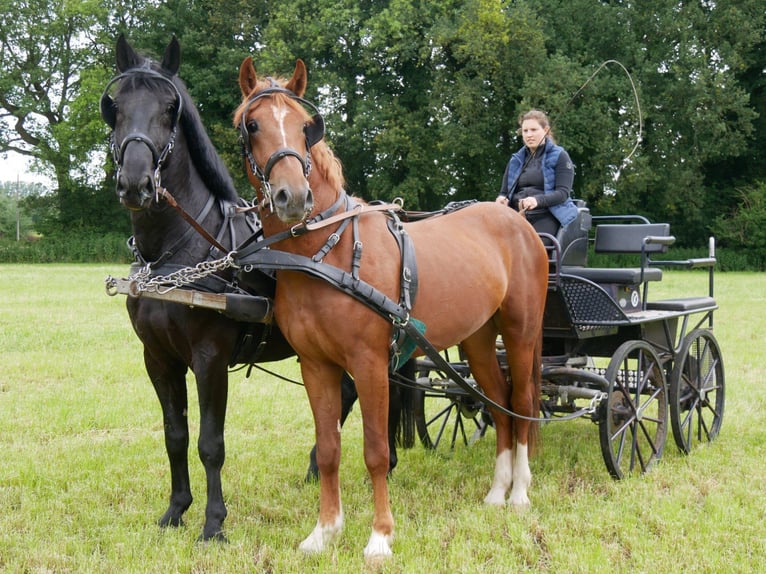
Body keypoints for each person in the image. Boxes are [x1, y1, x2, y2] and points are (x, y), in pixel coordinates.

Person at [496, 110, 578, 238]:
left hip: (547, 214)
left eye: (534, 130)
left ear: (545, 130)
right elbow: (504, 192)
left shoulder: (560, 156)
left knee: (533, 248)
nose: (529, 135)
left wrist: (537, 201)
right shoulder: (515, 160)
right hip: (516, 215)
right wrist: (502, 199)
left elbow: (562, 193)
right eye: (525, 131)